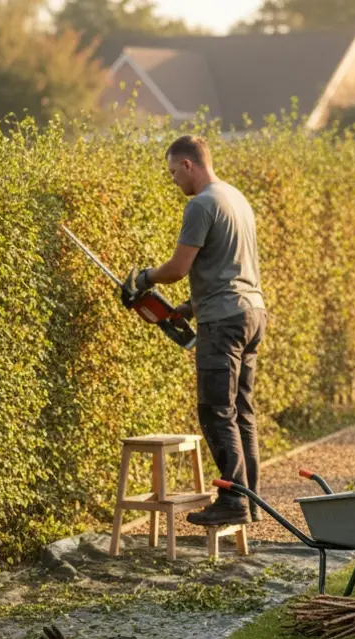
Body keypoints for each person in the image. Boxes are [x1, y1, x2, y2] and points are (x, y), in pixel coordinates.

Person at [122, 135, 267, 527]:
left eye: (173, 172)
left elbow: (177, 269)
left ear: (189, 165)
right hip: (251, 313)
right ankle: (249, 501)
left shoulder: (201, 204)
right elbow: (227, 267)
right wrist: (187, 309)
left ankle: (233, 501)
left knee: (216, 412)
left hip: (223, 322)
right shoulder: (236, 197)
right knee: (241, 414)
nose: (172, 181)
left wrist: (142, 278)